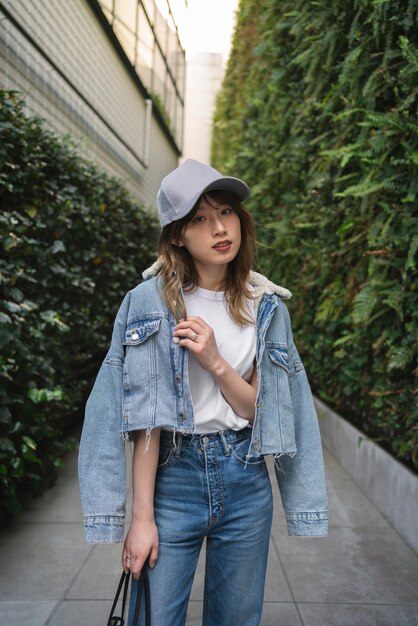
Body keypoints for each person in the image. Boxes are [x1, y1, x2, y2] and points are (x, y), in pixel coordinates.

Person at [78, 159, 328, 626]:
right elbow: (142, 421)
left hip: (246, 478)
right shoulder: (148, 302)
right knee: (151, 616)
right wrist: (140, 518)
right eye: (200, 217)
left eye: (227, 212)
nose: (219, 227)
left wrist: (214, 362)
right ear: (177, 234)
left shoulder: (265, 306)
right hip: (175, 477)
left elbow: (263, 413)